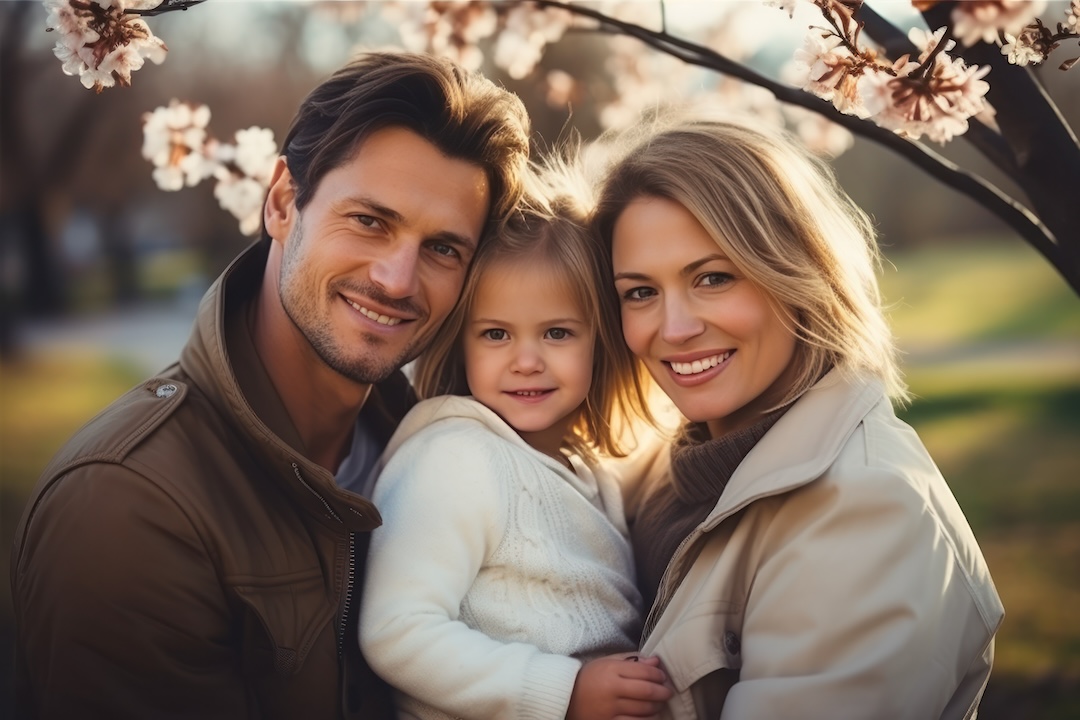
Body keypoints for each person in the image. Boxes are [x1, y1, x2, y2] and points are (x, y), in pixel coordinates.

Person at [10, 51, 530, 719]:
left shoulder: (439, 455)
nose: (397, 280)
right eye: (369, 221)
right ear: (283, 202)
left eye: (443, 249)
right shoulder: (128, 507)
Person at [591, 116, 1005, 719]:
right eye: (640, 292)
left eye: (713, 278)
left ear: (795, 272)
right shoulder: (667, 470)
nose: (674, 329)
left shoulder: (869, 511)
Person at [358, 174, 673, 720]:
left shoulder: (590, 470)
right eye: (496, 334)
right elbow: (396, 630)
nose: (526, 361)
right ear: (462, 344)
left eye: (557, 333)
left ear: (600, 340)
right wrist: (565, 691)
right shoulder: (454, 459)